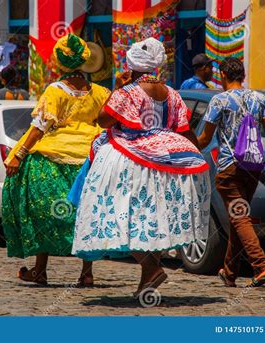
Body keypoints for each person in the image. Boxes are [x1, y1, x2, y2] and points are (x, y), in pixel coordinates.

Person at [72, 38, 211, 299]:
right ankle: (148, 275)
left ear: (133, 66)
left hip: (131, 157)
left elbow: (103, 120)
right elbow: (184, 130)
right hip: (166, 159)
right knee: (154, 216)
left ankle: (150, 266)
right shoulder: (172, 94)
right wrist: (195, 151)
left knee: (118, 213)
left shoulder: (128, 92)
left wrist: (116, 89)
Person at [2, 34, 110, 286]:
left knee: (44, 215)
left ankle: (40, 270)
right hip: (90, 159)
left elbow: (39, 127)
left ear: (59, 63)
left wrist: (18, 154)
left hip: (54, 159)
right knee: (85, 213)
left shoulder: (54, 91)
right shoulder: (100, 92)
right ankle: (86, 273)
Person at [197, 57, 265, 288]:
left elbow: (206, 138)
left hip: (229, 168)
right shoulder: (260, 99)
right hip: (253, 167)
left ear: (222, 75)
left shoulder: (219, 101)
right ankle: (229, 272)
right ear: (243, 75)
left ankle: (260, 266)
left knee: (239, 218)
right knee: (238, 218)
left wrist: (186, 147)